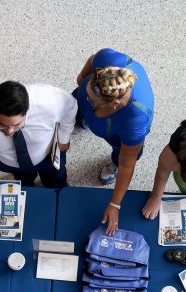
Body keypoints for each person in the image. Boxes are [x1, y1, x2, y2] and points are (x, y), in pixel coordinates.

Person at [73, 48, 155, 234]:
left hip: (116, 131)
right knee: (80, 105)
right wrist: (82, 79)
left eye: (92, 101)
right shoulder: (109, 59)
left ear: (115, 104)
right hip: (98, 106)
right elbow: (93, 59)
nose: (87, 99)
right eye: (88, 92)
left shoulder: (135, 120)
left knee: (121, 154)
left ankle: (112, 165)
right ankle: (84, 118)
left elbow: (128, 164)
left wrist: (114, 204)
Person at [0, 81, 77, 191]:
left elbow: (71, 106)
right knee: (24, 182)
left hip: (48, 156)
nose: (10, 132)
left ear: (27, 110)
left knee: (56, 180)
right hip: (10, 161)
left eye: (17, 124)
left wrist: (64, 138)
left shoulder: (50, 101)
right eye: (2, 124)